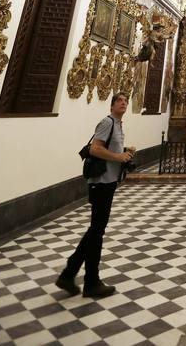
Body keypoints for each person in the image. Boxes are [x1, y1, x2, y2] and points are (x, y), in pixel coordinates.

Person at [56, 93, 135, 298]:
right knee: (96, 230)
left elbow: (109, 149)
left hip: (108, 181)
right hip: (100, 183)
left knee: (96, 230)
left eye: (126, 101)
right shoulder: (107, 122)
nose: (124, 104)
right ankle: (88, 280)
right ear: (112, 105)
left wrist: (125, 151)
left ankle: (71, 273)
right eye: (120, 101)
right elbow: (95, 149)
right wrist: (119, 156)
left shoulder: (118, 124)